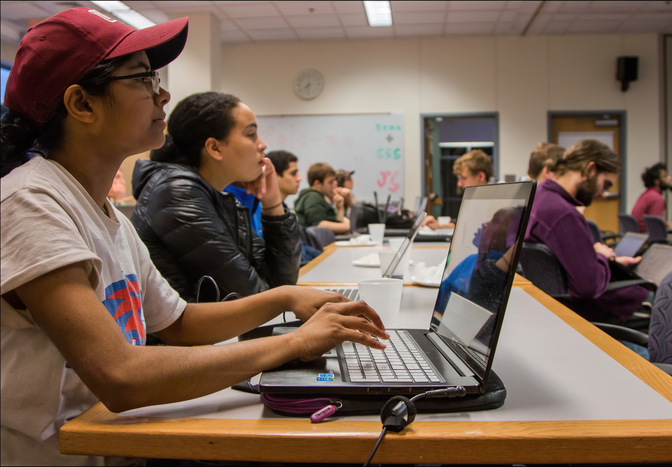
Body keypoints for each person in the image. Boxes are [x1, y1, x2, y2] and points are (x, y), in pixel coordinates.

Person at [0, 9, 388, 465]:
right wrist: (293, 342)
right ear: (82, 105)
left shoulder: (105, 212)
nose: (163, 94)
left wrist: (284, 298)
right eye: (143, 79)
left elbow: (178, 321)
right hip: (64, 454)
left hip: (121, 442)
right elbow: (118, 374)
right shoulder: (29, 202)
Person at [130, 92, 303, 302]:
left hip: (220, 334)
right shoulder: (177, 192)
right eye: (251, 134)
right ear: (214, 147)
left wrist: (273, 204)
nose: (263, 145)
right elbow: (252, 298)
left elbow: (280, 284)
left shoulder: (216, 197)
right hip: (192, 336)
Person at [524, 140, 649, 323]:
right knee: (656, 292)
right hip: (583, 318)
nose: (603, 194)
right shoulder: (564, 214)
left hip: (553, 310)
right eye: (605, 184)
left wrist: (599, 257)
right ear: (590, 169)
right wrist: (603, 258)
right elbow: (588, 287)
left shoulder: (539, 199)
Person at [267, 150, 322, 264]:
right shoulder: (265, 214)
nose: (299, 178)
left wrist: (323, 259)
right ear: (274, 176)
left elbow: (303, 248)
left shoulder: (285, 209)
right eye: (293, 173)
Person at [423, 150, 493, 230]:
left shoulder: (493, 204)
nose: (459, 184)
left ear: (481, 176)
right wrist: (439, 226)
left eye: (463, 178)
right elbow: (462, 226)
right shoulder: (475, 200)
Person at [294, 162, 351, 233]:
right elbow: (318, 224)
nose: (334, 184)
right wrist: (348, 226)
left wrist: (340, 208)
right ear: (317, 183)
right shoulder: (312, 196)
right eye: (330, 182)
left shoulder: (318, 196)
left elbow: (337, 224)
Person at [631, 162, 672, 233]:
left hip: (639, 236)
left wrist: (666, 224)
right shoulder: (656, 198)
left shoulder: (647, 194)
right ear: (657, 181)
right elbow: (656, 227)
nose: (669, 178)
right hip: (647, 238)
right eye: (665, 176)